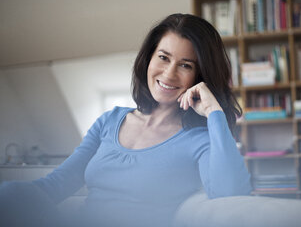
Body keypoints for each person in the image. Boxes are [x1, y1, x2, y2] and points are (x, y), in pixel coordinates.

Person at [0, 13, 252, 227]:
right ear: (149, 58)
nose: (169, 73)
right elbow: (54, 186)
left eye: (185, 65)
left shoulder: (202, 138)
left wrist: (214, 112)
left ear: (200, 75)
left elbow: (230, 198)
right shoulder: (109, 121)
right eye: (163, 57)